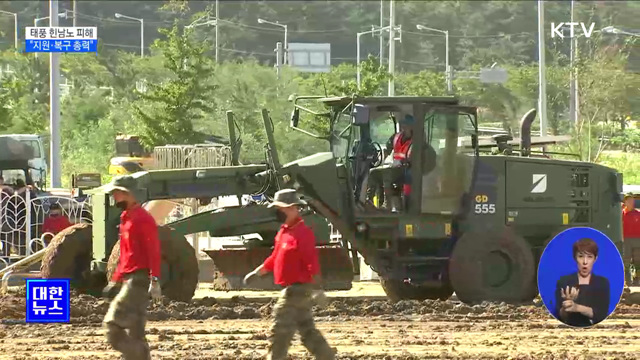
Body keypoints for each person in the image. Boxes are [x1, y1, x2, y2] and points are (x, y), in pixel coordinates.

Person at [243, 188, 335, 360]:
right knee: (307, 330)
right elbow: (275, 257)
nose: (278, 212)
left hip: (296, 290)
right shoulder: (283, 232)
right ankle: (327, 357)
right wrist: (258, 272)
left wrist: (317, 288)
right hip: (293, 290)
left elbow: (311, 262)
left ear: (293, 208)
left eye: (281, 208)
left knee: (279, 330)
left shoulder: (303, 233)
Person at [101, 175, 162, 360]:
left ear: (129, 194)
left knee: (112, 326)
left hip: (138, 281)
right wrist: (115, 279)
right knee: (136, 334)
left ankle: (135, 356)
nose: (114, 197)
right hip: (129, 279)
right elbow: (126, 254)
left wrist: (155, 279)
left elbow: (153, 250)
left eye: (117, 193)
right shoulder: (125, 217)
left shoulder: (143, 219)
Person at [554, 238, 610, 327]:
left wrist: (577, 307)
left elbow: (601, 315)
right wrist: (566, 306)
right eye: (580, 256)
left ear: (595, 259)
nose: (585, 262)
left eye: (589, 257)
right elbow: (560, 316)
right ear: (575, 258)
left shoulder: (602, 283)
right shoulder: (564, 282)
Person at [622, 193, 640, 285]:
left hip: (637, 240)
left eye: (632, 200)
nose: (631, 202)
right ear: (625, 202)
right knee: (626, 261)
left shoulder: (638, 213)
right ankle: (628, 281)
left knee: (638, 261)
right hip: (626, 240)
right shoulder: (621, 214)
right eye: (629, 200)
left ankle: (637, 279)